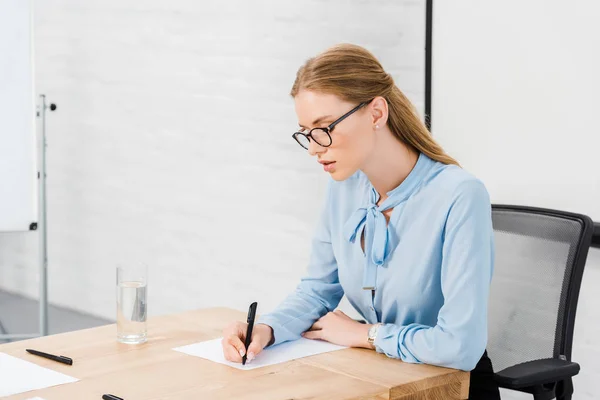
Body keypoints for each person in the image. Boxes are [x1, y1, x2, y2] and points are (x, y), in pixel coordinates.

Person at [221, 43, 500, 399]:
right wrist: (267, 330)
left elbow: (461, 345)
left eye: (324, 128)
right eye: (306, 132)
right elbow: (317, 291)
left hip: (447, 388)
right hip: (377, 380)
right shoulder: (346, 185)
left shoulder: (460, 195)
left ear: (376, 113)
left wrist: (365, 334)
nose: (314, 148)